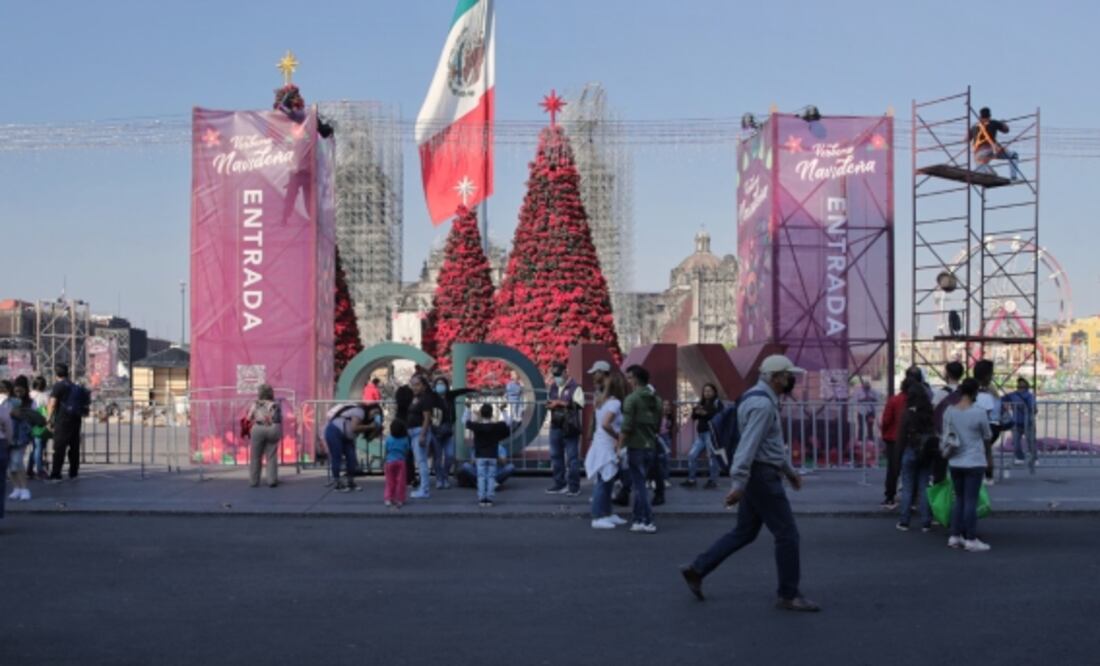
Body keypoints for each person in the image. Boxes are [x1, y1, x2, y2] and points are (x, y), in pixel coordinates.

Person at [680, 355, 819, 611]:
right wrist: (738, 483)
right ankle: (788, 594)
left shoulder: (754, 397)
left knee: (744, 532)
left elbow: (768, 444)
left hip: (759, 474)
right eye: (789, 376)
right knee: (787, 535)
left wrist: (788, 471)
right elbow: (749, 444)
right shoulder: (763, 406)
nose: (793, 380)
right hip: (762, 477)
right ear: (775, 377)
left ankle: (698, 569)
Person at [942, 379, 994, 552]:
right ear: (975, 393)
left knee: (959, 499)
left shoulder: (950, 411)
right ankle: (971, 538)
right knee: (970, 500)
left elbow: (945, 433)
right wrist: (988, 458)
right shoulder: (979, 413)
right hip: (974, 461)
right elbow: (987, 436)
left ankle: (954, 536)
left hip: (954, 460)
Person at [620, 365, 661, 534]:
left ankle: (647, 520)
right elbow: (658, 424)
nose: (628, 381)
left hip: (635, 445)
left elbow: (626, 426)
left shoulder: (632, 399)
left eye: (629, 378)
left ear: (635, 379)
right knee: (640, 484)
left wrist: (619, 446)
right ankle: (638, 519)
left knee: (640, 486)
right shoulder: (656, 399)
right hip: (650, 445)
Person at [586, 365, 626, 529]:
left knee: (607, 480)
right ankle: (598, 516)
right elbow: (605, 424)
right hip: (607, 445)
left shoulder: (602, 401)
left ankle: (607, 512)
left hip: (601, 443)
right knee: (604, 481)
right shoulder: (615, 403)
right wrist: (617, 435)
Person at [896, 382, 936, 532]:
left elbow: (901, 437)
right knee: (924, 486)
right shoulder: (929, 412)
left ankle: (904, 521)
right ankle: (926, 521)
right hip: (926, 452)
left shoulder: (907, 413)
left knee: (907, 487)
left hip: (911, 450)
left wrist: (897, 456)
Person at [545, 361, 584, 497]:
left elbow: (580, 404)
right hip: (555, 425)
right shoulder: (553, 387)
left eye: (558, 374)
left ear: (565, 372)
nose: (556, 377)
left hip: (570, 426)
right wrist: (550, 405)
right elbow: (551, 401)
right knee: (556, 456)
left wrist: (560, 403)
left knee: (572, 458)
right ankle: (559, 483)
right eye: (554, 375)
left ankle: (574, 486)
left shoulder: (575, 387)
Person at [323, 402, 380, 492]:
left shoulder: (365, 420)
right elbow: (354, 427)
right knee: (336, 456)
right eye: (374, 411)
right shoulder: (360, 411)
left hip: (347, 436)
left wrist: (376, 430)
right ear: (369, 409)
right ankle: (337, 483)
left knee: (352, 458)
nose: (374, 415)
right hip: (335, 431)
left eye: (377, 414)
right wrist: (370, 427)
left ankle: (350, 481)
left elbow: (367, 436)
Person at [431, 376, 475, 490]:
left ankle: (445, 476)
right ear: (434, 386)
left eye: (442, 383)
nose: (440, 386)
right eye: (438, 383)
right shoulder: (431, 397)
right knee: (437, 457)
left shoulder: (450, 396)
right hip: (435, 431)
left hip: (449, 429)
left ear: (446, 385)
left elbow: (461, 391)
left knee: (450, 455)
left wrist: (474, 390)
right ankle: (439, 479)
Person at [466, 404, 513, 507]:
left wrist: (468, 409)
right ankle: (489, 498)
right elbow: (509, 422)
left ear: (481, 414)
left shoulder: (477, 426)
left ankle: (482, 498)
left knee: (481, 477)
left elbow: (465, 421)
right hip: (492, 455)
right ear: (491, 414)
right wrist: (503, 410)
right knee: (491, 477)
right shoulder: (496, 426)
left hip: (480, 456)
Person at [47, 364, 87, 482]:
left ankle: (56, 474)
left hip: (62, 420)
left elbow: (53, 403)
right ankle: (73, 473)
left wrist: (48, 418)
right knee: (74, 447)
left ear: (56, 374)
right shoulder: (74, 385)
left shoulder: (58, 386)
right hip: (76, 419)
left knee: (59, 447)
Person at [879, 377, 911, 510]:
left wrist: (884, 433)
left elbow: (886, 420)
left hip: (893, 438)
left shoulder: (894, 400)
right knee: (911, 471)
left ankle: (890, 497)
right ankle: (911, 499)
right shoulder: (917, 401)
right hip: (910, 439)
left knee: (893, 469)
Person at [932, 361, 965, 484]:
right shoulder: (965, 392)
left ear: (948, 374)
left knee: (941, 466)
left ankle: (942, 494)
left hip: (944, 435)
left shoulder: (941, 393)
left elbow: (934, 411)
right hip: (962, 433)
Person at [683, 384, 721, 489]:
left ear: (714, 392)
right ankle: (692, 479)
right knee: (692, 455)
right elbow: (694, 417)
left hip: (711, 434)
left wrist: (705, 414)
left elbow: (719, 416)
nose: (707, 393)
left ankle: (712, 481)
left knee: (712, 458)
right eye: (705, 391)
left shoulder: (717, 403)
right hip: (701, 435)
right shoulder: (701, 403)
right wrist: (696, 412)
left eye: (709, 391)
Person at [970, 106, 1023, 181]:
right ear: (990, 116)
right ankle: (1013, 177)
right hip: (991, 150)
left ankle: (984, 170)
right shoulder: (993, 122)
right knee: (1014, 156)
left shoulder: (974, 126)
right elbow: (1006, 130)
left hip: (978, 154)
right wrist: (1002, 123)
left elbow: (965, 139)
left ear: (980, 116)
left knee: (984, 169)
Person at [407, 375, 439, 499]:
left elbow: (427, 418)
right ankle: (423, 488)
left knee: (422, 462)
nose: (414, 387)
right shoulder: (416, 398)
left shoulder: (425, 399)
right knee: (420, 461)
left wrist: (422, 435)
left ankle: (424, 490)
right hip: (414, 432)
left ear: (424, 386)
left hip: (419, 432)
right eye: (413, 384)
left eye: (417, 384)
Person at [246, 384, 283, 488]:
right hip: (272, 428)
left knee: (255, 456)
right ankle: (272, 480)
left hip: (258, 428)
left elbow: (249, 417)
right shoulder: (275, 405)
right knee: (271, 455)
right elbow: (278, 419)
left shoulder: (255, 404)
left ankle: (254, 481)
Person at [1005, 378, 1037, 466]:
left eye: (1022, 386)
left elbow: (1034, 408)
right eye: (1019, 386)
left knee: (1031, 442)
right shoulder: (1012, 395)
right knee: (1016, 442)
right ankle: (1019, 457)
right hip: (1016, 422)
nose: (1021, 388)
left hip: (1028, 422)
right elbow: (1003, 400)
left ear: (1026, 387)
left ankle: (1034, 458)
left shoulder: (1030, 396)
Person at [383, 419, 411, 508]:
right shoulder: (405, 439)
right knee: (401, 482)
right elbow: (407, 450)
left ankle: (388, 498)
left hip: (390, 462)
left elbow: (386, 450)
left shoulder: (388, 439)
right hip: (401, 462)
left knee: (390, 481)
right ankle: (400, 499)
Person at [29, 376, 50, 480]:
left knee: (35, 447)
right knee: (39, 447)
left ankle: (29, 469)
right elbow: (49, 410)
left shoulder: (29, 395)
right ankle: (39, 470)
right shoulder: (45, 396)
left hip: (30, 423)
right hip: (40, 424)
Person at [854, 379, 878, 444]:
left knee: (870, 426)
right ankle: (860, 440)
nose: (867, 388)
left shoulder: (873, 391)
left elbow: (877, 400)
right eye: (865, 386)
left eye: (868, 386)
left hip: (870, 411)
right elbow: (855, 401)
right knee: (861, 426)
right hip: (861, 411)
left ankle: (870, 439)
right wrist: (863, 399)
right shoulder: (858, 392)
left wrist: (871, 398)